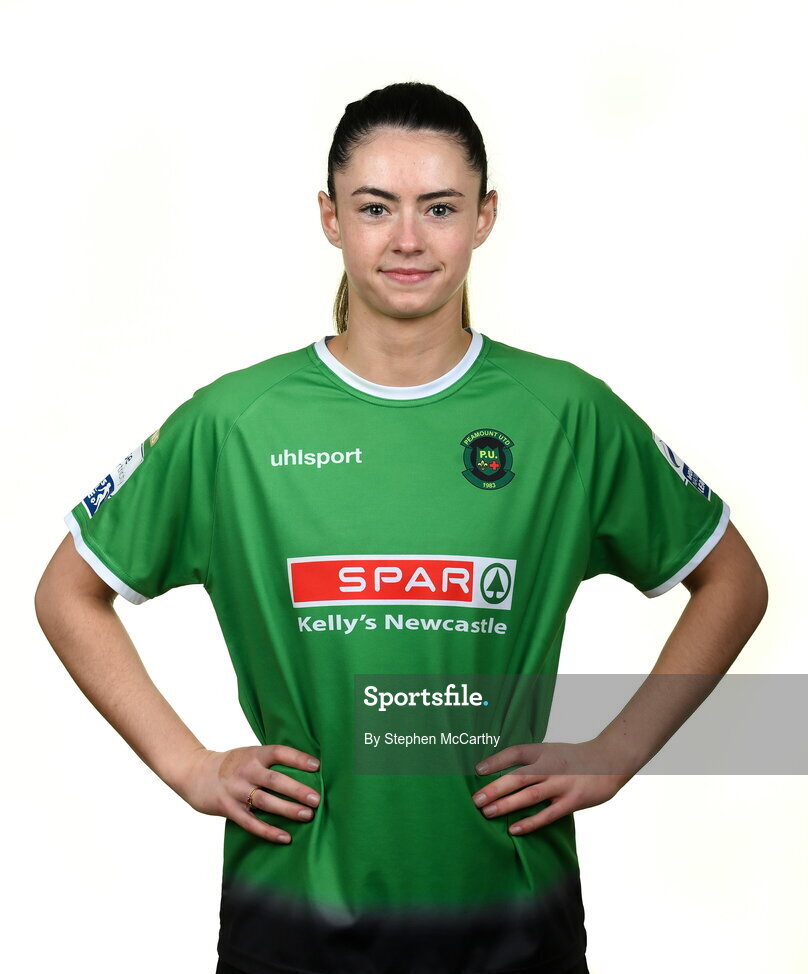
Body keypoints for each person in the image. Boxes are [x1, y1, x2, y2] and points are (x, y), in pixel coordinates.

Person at [34, 81, 768, 974]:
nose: (409, 239)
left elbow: (733, 580)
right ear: (330, 218)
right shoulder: (235, 424)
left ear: (486, 218)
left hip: (514, 923)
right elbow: (68, 591)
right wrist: (188, 766)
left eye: (441, 207)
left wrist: (619, 750)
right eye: (376, 207)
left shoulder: (565, 415)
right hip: (292, 921)